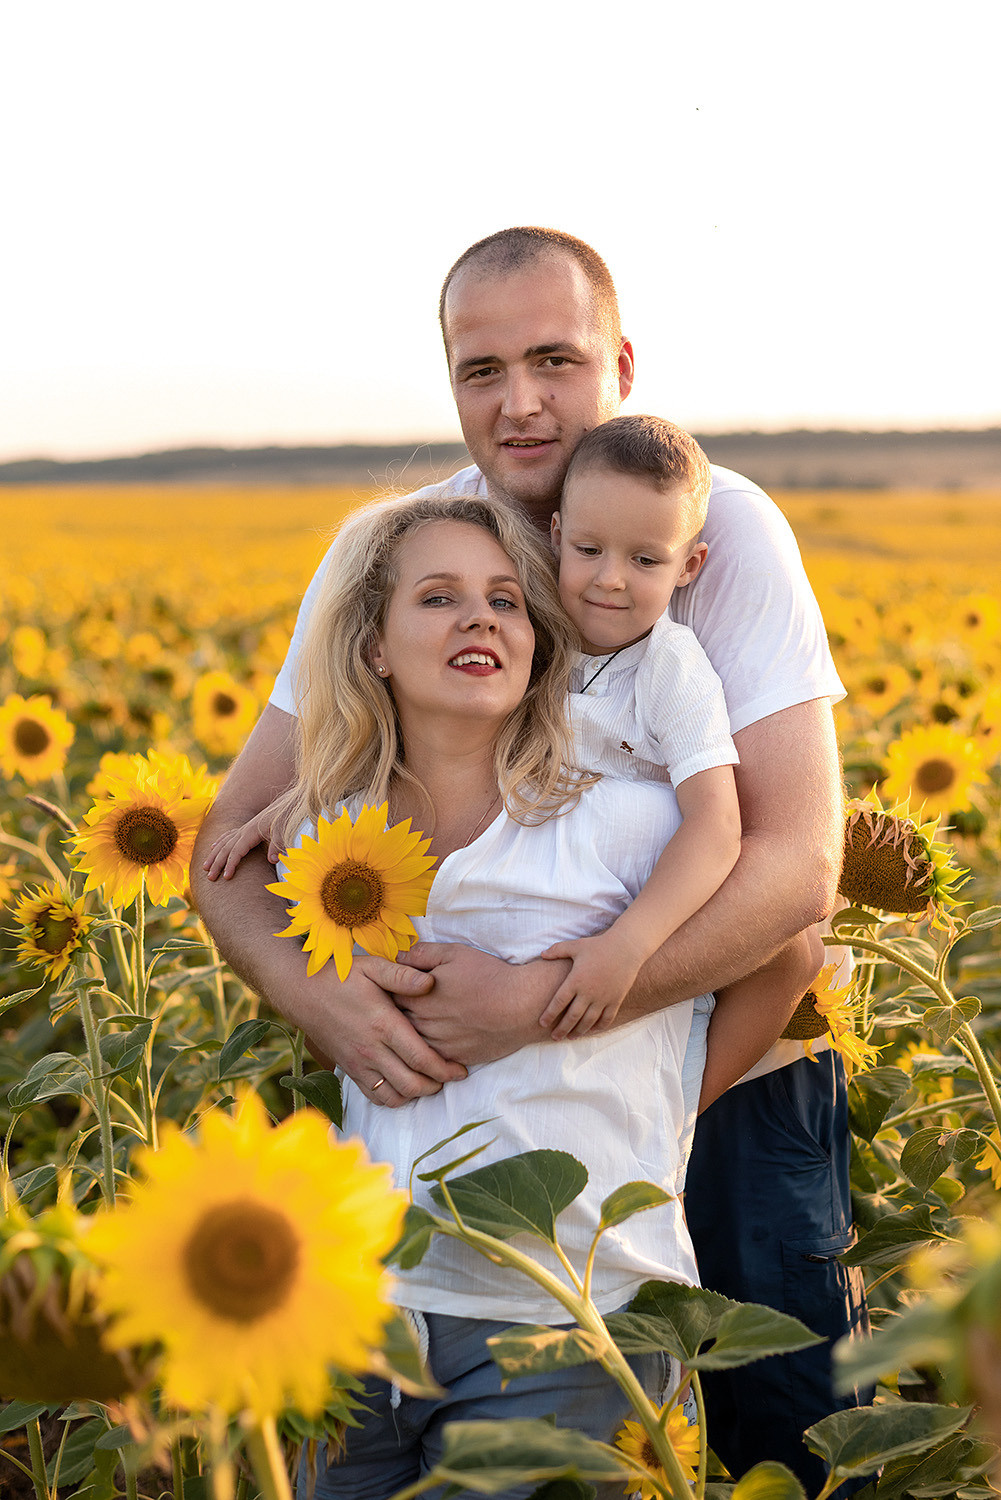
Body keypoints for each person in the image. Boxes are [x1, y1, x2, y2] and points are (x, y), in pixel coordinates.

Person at [192, 226, 869, 1490]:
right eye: (481, 367)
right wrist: (316, 999)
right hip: (468, 1115)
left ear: (618, 360)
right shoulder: (408, 550)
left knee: (786, 1426)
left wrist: (557, 1014)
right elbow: (228, 850)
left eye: (553, 359)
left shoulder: (711, 524)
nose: (519, 402)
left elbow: (790, 868)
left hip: (719, 1066)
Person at [269, 491, 703, 1493]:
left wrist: (661, 1100)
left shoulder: (629, 826)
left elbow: (781, 953)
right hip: (357, 1315)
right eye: (438, 597)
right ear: (373, 646)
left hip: (562, 1320)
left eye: (507, 600)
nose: (480, 619)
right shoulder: (319, 843)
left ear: (537, 643)